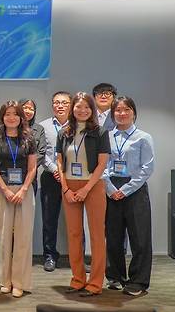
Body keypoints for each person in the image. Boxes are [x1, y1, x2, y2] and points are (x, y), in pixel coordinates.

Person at [56, 92, 111, 297]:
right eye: (78, 107)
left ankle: (95, 283)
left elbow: (103, 163)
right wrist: (66, 189)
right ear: (73, 109)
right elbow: (60, 163)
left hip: (93, 185)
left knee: (97, 235)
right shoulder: (65, 132)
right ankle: (78, 279)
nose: (82, 110)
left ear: (92, 110)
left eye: (87, 107)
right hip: (69, 186)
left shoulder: (100, 131)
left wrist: (87, 188)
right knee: (74, 234)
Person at [103, 96, 154, 297]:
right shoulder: (106, 137)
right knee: (113, 236)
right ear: (112, 113)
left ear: (133, 112)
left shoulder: (143, 137)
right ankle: (115, 276)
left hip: (135, 189)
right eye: (117, 110)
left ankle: (138, 280)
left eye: (126, 110)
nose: (122, 114)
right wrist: (109, 187)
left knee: (139, 237)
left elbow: (147, 168)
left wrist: (124, 190)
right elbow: (102, 165)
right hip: (111, 187)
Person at [0, 101, 37, 298]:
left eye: (15, 114)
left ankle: (20, 282)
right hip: (2, 191)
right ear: (2, 116)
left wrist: (24, 189)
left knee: (23, 239)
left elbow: (33, 167)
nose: (11, 117)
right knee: (3, 238)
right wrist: (6, 190)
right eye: (7, 114)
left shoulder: (29, 138)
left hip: (24, 191)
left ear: (21, 117)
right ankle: (5, 280)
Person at [38, 91, 72, 272]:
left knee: (76, 220)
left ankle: (78, 257)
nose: (60, 106)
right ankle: (50, 256)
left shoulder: (79, 125)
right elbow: (41, 154)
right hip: (51, 178)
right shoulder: (43, 126)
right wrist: (56, 170)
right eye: (56, 102)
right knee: (49, 219)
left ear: (71, 105)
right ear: (52, 105)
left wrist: (66, 173)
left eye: (64, 103)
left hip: (74, 179)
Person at [19, 98, 47, 193]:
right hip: (10, 173)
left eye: (31, 109)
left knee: (28, 206)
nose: (28, 111)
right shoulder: (10, 127)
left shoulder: (39, 129)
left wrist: (28, 166)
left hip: (30, 175)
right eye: (25, 107)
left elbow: (41, 152)